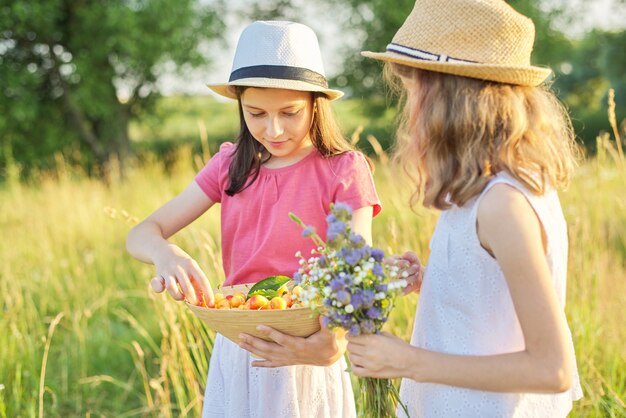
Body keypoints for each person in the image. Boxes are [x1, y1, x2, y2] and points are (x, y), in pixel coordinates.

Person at [126, 20, 381, 417]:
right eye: (256, 113)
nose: (273, 129)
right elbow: (142, 233)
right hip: (242, 347)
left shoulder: (344, 169)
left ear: (316, 103)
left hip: (310, 348)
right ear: (240, 105)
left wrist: (334, 340)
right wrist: (165, 254)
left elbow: (356, 265)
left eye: (290, 112)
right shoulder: (231, 165)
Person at [345, 0, 583, 417]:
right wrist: (432, 281)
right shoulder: (477, 190)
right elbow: (493, 295)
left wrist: (408, 361)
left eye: (415, 87)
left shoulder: (504, 204)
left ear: (448, 98)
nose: (410, 104)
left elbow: (553, 368)